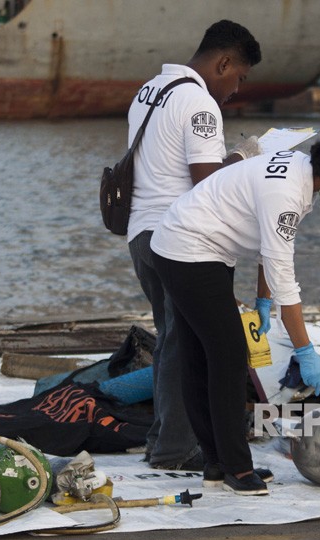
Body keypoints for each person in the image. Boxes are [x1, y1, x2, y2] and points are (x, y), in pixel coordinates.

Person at [150, 132, 320, 494]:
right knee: (228, 359)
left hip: (199, 247)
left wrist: (262, 301)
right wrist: (304, 349)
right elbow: (285, 279)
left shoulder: (300, 171)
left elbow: (270, 247)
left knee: (202, 356)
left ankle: (217, 463)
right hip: (189, 250)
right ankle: (237, 469)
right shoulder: (287, 193)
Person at [126, 20, 263, 470]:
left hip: (141, 233)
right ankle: (175, 449)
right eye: (238, 76)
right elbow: (207, 184)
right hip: (178, 239)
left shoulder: (153, 89)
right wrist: (244, 158)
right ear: (223, 62)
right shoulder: (199, 102)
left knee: (171, 338)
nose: (235, 89)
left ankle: (162, 439)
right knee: (190, 346)